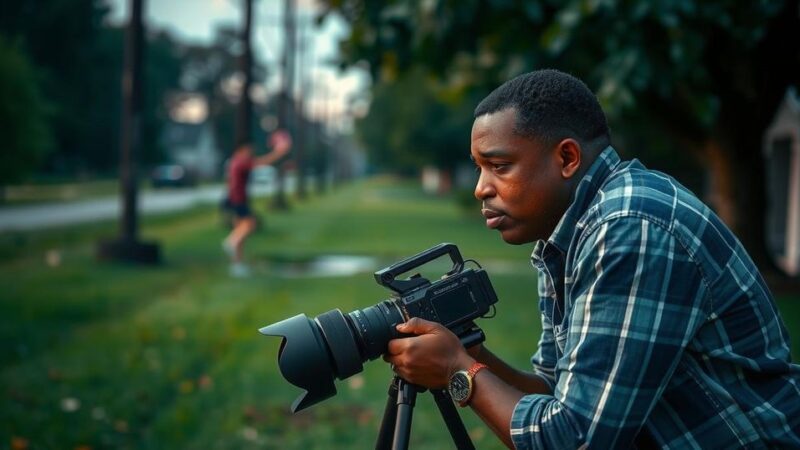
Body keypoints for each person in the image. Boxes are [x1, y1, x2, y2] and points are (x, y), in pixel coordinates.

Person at [384, 69, 800, 448]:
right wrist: (467, 355)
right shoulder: (567, 234)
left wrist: (458, 373)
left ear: (566, 158)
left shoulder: (631, 227)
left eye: (499, 166)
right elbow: (554, 393)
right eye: (479, 168)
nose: (481, 188)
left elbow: (577, 440)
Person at [222, 130, 291, 277]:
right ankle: (230, 242)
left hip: (234, 198)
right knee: (250, 225)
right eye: (249, 149)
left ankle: (237, 266)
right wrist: (279, 152)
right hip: (238, 199)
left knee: (240, 230)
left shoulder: (234, 161)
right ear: (242, 148)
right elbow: (260, 163)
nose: (251, 151)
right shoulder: (240, 161)